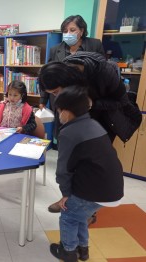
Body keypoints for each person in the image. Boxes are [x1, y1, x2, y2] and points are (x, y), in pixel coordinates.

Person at [39, 51, 131, 214]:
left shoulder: (103, 72)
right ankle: (70, 199)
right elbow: (65, 166)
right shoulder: (62, 72)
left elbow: (121, 101)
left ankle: (86, 207)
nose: (56, 97)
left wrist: (90, 104)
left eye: (55, 92)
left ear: (67, 82)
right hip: (81, 116)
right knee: (72, 161)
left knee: (92, 165)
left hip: (104, 118)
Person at [49, 85, 124, 262]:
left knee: (68, 215)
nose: (59, 115)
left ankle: (68, 252)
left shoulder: (68, 132)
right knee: (80, 215)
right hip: (112, 188)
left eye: (59, 110)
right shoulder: (94, 124)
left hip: (95, 190)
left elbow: (63, 170)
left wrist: (65, 194)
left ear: (66, 112)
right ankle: (83, 250)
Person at [39, 15, 105, 148]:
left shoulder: (94, 45)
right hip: (61, 99)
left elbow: (101, 73)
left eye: (72, 30)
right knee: (64, 134)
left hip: (85, 99)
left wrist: (91, 97)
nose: (68, 33)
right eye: (65, 31)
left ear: (81, 30)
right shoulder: (55, 49)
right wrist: (42, 100)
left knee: (84, 137)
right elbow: (49, 75)